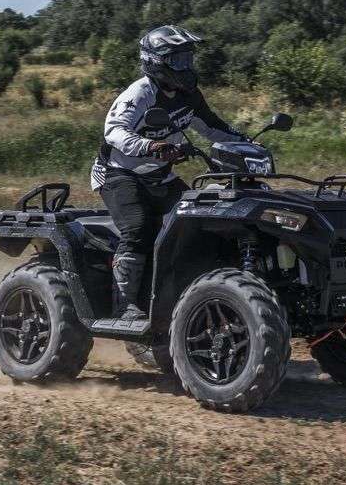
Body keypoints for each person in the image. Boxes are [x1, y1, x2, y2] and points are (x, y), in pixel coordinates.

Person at [91, 25, 247, 321]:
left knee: (194, 224)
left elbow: (212, 126)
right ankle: (124, 305)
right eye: (177, 60)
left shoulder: (189, 94)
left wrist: (248, 143)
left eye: (188, 59)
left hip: (160, 176)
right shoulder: (140, 94)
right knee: (137, 228)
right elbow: (114, 132)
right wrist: (151, 146)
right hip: (118, 173)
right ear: (155, 61)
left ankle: (174, 293)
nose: (185, 66)